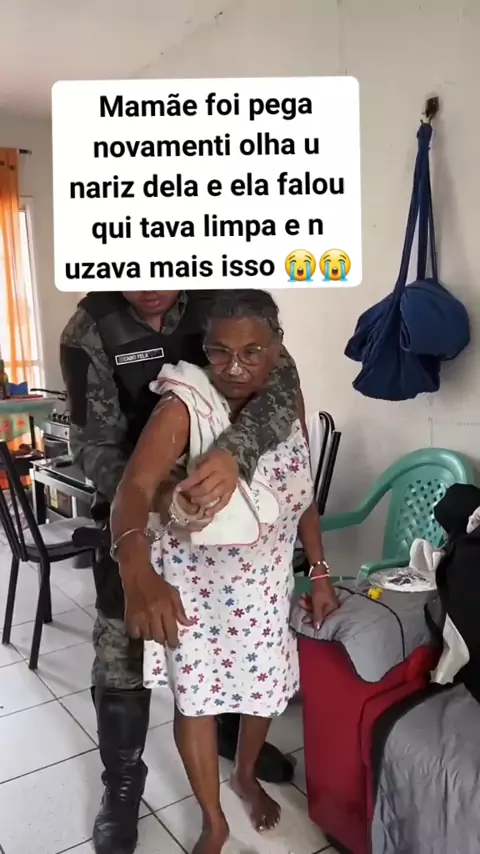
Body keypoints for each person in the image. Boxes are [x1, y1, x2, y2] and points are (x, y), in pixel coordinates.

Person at [60, 289, 302, 854]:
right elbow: (91, 444)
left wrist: (232, 454)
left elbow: (281, 384)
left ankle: (226, 737)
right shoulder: (90, 328)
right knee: (123, 650)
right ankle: (123, 786)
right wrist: (155, 494)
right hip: (134, 513)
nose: (151, 281)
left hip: (224, 511)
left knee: (228, 639)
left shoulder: (219, 300)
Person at [110, 290, 338, 854]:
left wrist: (320, 571)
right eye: (220, 351)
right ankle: (214, 820)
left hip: (265, 583)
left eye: (252, 352)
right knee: (199, 700)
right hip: (194, 588)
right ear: (205, 349)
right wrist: (138, 574)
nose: (234, 368)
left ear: (277, 348)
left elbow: (303, 490)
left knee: (264, 690)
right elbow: (131, 490)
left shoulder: (285, 399)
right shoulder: (184, 405)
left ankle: (245, 777)